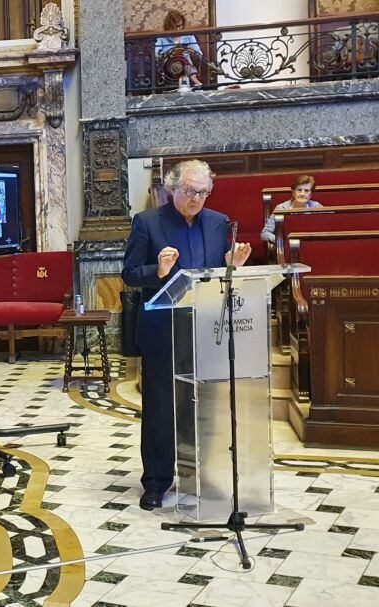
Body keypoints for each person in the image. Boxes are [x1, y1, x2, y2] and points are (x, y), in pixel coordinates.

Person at [121, 159, 251, 510]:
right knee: (162, 410)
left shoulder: (218, 222)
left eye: (204, 192)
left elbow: (216, 272)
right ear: (171, 189)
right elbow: (130, 274)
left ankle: (202, 474)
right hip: (164, 332)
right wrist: (159, 270)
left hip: (206, 330)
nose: (197, 198)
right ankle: (157, 482)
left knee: (205, 408)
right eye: (190, 191)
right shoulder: (147, 222)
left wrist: (232, 265)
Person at [260, 175, 323, 243]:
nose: (302, 194)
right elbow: (265, 233)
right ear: (293, 192)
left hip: (311, 244)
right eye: (299, 190)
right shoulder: (281, 208)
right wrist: (280, 241)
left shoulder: (317, 207)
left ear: (310, 195)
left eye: (306, 191)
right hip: (287, 247)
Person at [155, 10, 204, 88]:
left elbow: (198, 52)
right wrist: (168, 53)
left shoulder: (188, 36)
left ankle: (192, 81)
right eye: (175, 27)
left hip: (186, 64)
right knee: (177, 56)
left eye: (180, 26)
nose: (178, 29)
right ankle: (195, 81)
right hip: (168, 66)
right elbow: (156, 54)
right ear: (169, 27)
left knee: (183, 59)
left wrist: (193, 53)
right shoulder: (162, 37)